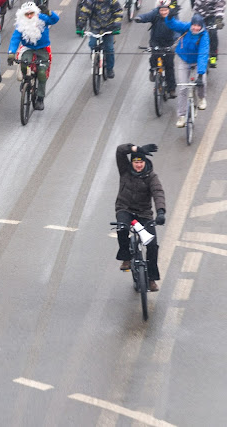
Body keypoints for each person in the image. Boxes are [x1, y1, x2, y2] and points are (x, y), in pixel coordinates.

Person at [115, 144, 166, 292]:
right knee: (122, 227)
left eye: (141, 162)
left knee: (151, 245)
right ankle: (126, 257)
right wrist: (135, 149)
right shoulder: (124, 170)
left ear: (145, 163)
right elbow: (120, 150)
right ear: (131, 163)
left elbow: (158, 193)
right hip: (125, 209)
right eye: (136, 162)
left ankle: (151, 279)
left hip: (144, 214)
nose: (138, 165)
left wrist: (161, 211)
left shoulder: (151, 176)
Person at [7, 2, 59, 111]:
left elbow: (55, 20)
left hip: (42, 48)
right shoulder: (21, 24)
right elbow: (15, 39)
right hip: (28, 48)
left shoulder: (42, 19)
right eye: (27, 14)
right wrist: (11, 53)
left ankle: (40, 98)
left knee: (41, 72)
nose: (30, 16)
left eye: (31, 13)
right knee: (24, 63)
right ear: (23, 15)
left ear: (35, 13)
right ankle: (26, 80)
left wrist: (49, 13)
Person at [165, 13, 210, 127]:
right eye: (194, 25)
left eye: (198, 26)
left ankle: (201, 98)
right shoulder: (186, 27)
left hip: (197, 62)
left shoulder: (204, 36)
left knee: (202, 83)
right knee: (182, 89)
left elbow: (203, 55)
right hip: (184, 61)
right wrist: (169, 18)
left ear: (201, 26)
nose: (195, 28)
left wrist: (200, 74)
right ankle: (181, 116)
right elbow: (175, 25)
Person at [134, 0, 177, 98]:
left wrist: (175, 42)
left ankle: (171, 88)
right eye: (161, 10)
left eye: (165, 10)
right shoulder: (155, 14)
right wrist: (139, 18)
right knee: (154, 57)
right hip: (156, 42)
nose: (163, 12)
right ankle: (152, 70)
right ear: (159, 9)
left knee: (169, 66)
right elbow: (147, 16)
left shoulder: (173, 16)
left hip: (169, 43)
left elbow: (177, 29)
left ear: (169, 9)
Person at [76, 0, 123, 79]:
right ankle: (95, 58)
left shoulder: (112, 1)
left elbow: (118, 12)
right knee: (92, 44)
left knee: (109, 49)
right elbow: (84, 13)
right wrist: (80, 27)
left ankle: (109, 69)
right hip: (95, 28)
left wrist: (116, 27)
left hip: (108, 29)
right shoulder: (90, 2)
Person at [192, 0, 224, 68]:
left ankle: (213, 58)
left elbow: (220, 6)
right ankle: (192, 58)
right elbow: (196, 5)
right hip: (199, 14)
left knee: (213, 33)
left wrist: (219, 19)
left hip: (212, 16)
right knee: (195, 33)